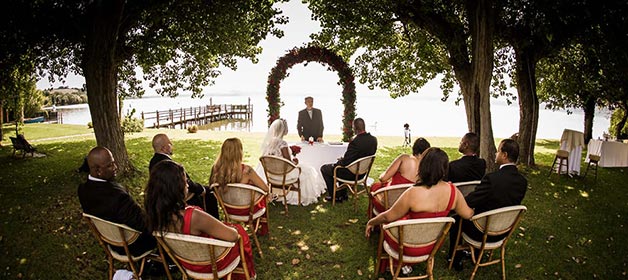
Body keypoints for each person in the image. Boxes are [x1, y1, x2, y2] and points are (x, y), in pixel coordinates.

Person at [365, 147, 474, 272]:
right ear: (444, 169)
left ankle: (398, 265)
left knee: (390, 223)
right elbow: (468, 214)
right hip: (432, 245)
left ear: (423, 166)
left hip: (406, 245)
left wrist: (371, 222)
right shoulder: (453, 191)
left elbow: (387, 217)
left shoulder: (413, 193)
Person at [144, 160, 256, 280]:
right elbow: (233, 236)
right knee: (239, 231)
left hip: (186, 261)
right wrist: (234, 229)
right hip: (211, 263)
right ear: (175, 187)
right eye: (185, 182)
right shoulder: (193, 216)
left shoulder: (155, 213)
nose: (187, 185)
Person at [448, 138, 528, 271]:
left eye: (497, 151)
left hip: (482, 230)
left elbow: (469, 201)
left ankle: (453, 257)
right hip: (503, 231)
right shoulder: (522, 182)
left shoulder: (492, 179)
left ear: (504, 155)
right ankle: (474, 253)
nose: (495, 154)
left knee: (457, 219)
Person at [77, 147, 156, 256]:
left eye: (114, 163)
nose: (115, 167)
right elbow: (143, 224)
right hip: (132, 245)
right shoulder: (118, 197)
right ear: (98, 171)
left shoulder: (82, 190)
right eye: (110, 165)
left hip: (110, 241)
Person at [149, 133, 219, 219]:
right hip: (176, 198)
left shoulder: (153, 162)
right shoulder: (169, 165)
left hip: (162, 196)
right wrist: (201, 188)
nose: (172, 145)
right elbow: (186, 182)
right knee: (210, 193)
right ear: (164, 148)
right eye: (170, 143)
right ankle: (213, 222)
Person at [259, 119, 326, 205]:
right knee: (309, 171)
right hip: (283, 175)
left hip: (271, 175)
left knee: (306, 169)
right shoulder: (282, 143)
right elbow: (288, 163)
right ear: (283, 130)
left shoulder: (269, 143)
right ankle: (300, 196)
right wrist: (295, 162)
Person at [210, 138, 270, 235]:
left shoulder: (216, 169)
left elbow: (212, 187)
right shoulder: (247, 171)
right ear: (239, 152)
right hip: (246, 210)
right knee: (260, 193)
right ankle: (261, 227)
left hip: (227, 208)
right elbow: (265, 189)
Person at [320, 118, 378, 202]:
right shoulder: (373, 140)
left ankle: (335, 196)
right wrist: (345, 160)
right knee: (342, 167)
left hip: (352, 174)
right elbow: (363, 155)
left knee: (325, 168)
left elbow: (346, 162)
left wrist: (338, 163)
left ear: (355, 128)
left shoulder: (355, 141)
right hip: (363, 173)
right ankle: (343, 195)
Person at [369, 137, 430, 215]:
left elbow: (383, 178)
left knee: (374, 187)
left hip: (391, 204)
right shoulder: (428, 168)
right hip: (410, 207)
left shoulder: (404, 158)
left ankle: (374, 224)